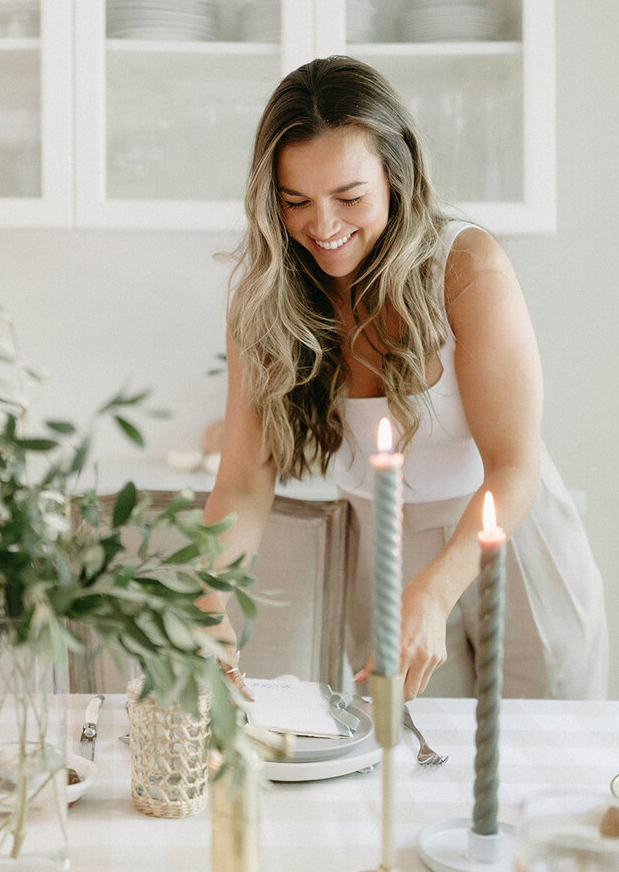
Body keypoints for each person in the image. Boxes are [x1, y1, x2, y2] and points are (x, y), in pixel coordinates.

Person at [202, 55, 608, 701]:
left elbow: (514, 466)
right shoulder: (264, 306)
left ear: (397, 173)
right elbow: (245, 480)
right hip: (387, 554)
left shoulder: (466, 268)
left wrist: (441, 587)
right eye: (296, 202)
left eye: (350, 197)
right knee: (406, 766)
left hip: (512, 543)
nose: (325, 227)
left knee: (543, 771)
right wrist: (206, 601)